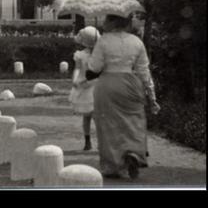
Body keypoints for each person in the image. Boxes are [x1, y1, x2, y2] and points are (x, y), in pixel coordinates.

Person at [88, 14, 160, 180]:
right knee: (134, 121)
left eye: (107, 19)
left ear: (113, 21)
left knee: (108, 124)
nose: (104, 22)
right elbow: (144, 71)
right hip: (131, 83)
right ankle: (134, 152)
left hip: (108, 84)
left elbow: (94, 67)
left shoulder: (103, 41)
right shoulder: (136, 42)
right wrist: (152, 96)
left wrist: (93, 56)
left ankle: (113, 166)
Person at [68, 26, 100, 151]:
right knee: (87, 116)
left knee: (98, 116)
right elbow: (77, 68)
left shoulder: (101, 55)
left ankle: (101, 141)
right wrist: (75, 79)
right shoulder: (80, 55)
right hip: (85, 87)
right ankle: (87, 140)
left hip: (97, 86)